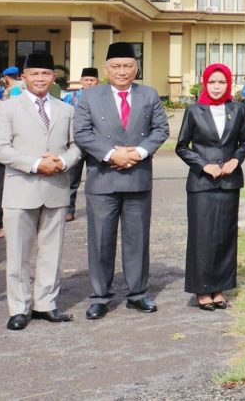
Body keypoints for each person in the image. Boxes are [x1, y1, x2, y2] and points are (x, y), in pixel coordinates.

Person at [73, 42, 170, 319]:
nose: (122, 71)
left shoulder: (149, 95)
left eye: (128, 66)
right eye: (116, 66)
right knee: (101, 240)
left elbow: (160, 129)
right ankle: (100, 296)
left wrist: (138, 152)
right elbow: (81, 133)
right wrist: (112, 154)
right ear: (106, 69)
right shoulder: (91, 97)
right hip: (102, 180)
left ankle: (138, 294)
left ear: (136, 68)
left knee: (137, 240)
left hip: (137, 177)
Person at [0, 52, 82, 329]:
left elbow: (77, 145)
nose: (40, 78)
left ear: (53, 77)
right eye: (34, 74)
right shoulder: (8, 108)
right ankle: (19, 308)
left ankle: (46, 304)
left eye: (46, 73)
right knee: (18, 254)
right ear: (24, 77)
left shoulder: (66, 109)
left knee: (51, 252)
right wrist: (35, 164)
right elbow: (0, 148)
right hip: (21, 190)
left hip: (56, 187)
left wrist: (63, 161)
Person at [175, 63, 245, 310]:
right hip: (202, 184)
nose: (216, 87)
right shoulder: (194, 111)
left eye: (221, 82)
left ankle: (219, 287)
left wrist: (234, 160)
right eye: (212, 82)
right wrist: (202, 165)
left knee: (224, 236)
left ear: (228, 84)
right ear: (204, 84)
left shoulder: (237, 109)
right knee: (202, 236)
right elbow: (181, 146)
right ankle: (202, 289)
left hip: (229, 183)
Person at [65, 66, 100, 222]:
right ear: (81, 81)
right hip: (75, 144)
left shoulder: (102, 97)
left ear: (97, 81)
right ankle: (69, 210)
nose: (89, 83)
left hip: (96, 144)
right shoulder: (70, 98)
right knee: (72, 179)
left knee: (96, 179)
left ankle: (96, 210)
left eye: (92, 80)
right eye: (86, 80)